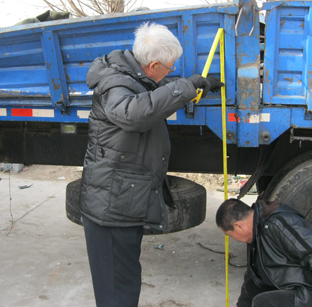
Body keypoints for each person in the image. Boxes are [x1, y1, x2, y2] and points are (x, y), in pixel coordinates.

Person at [80, 22, 223, 307]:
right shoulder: (115, 85)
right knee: (117, 291)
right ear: (154, 64)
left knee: (123, 283)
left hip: (119, 200)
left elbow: (148, 92)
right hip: (111, 207)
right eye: (169, 68)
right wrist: (184, 87)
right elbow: (133, 112)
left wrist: (193, 84)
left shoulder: (128, 74)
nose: (170, 72)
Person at [216, 198, 312, 307]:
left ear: (239, 226)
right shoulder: (257, 232)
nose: (234, 239)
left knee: (263, 303)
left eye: (230, 235)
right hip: (293, 289)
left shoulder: (279, 223)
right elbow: (255, 278)